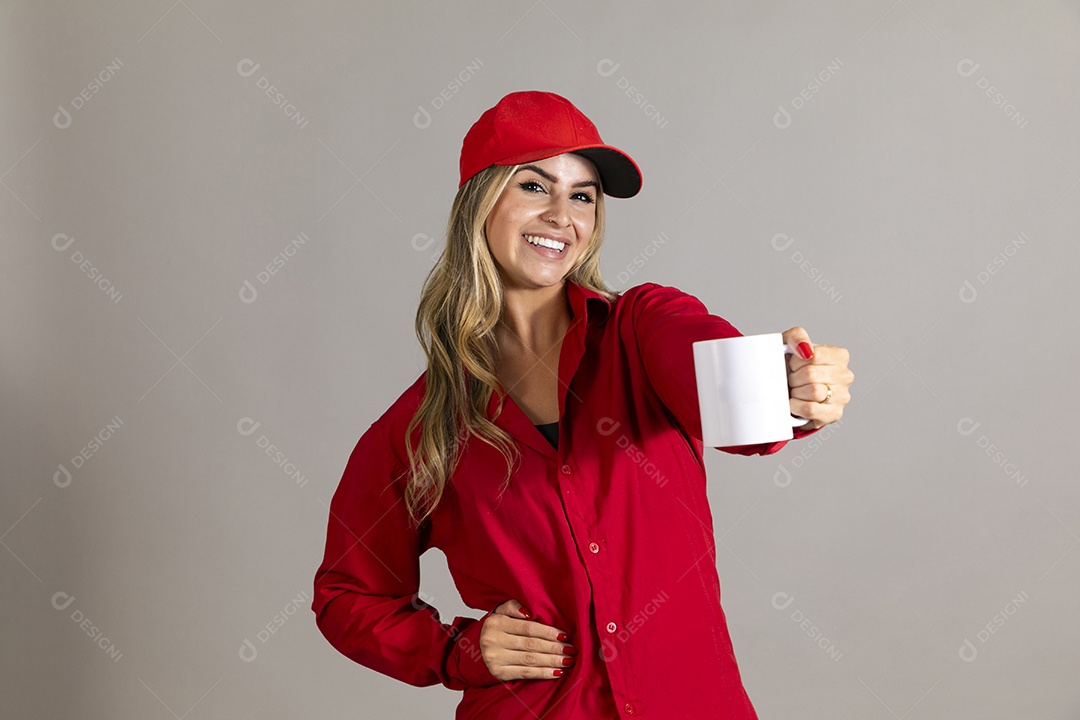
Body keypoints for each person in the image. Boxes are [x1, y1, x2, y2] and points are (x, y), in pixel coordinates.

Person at [311, 90, 853, 719]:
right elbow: (348, 596)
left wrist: (789, 387)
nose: (561, 216)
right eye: (534, 187)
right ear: (479, 203)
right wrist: (459, 651)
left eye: (583, 196)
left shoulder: (643, 327)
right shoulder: (421, 424)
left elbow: (727, 397)